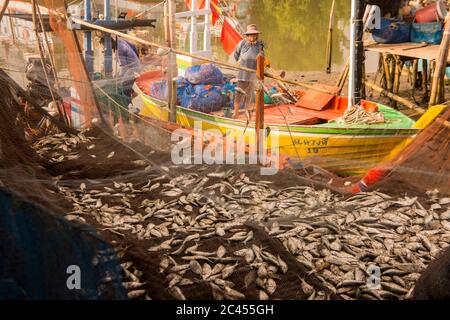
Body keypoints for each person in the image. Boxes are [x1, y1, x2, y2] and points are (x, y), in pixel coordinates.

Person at [233, 24, 265, 118]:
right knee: (239, 93)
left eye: (254, 35)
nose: (252, 37)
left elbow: (262, 57)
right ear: (247, 36)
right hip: (242, 73)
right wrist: (241, 63)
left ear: (257, 35)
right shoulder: (242, 44)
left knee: (249, 94)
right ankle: (236, 113)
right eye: (250, 35)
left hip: (253, 74)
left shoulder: (260, 45)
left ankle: (247, 111)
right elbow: (236, 55)